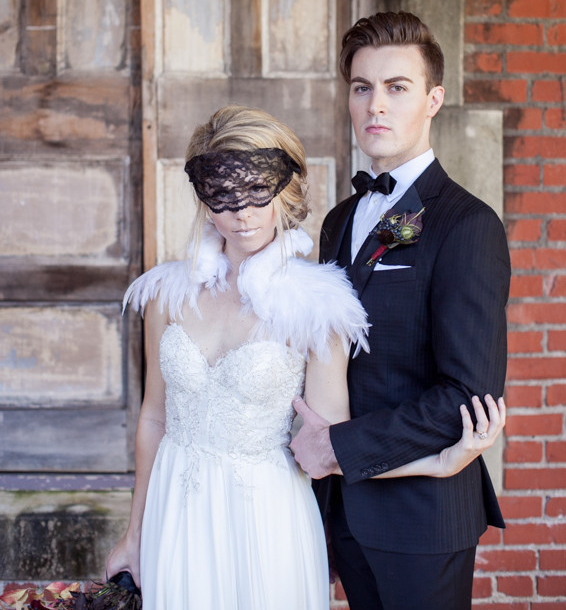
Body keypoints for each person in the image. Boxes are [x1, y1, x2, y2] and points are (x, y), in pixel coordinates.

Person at [106, 104, 506, 610]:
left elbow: (329, 444)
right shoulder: (167, 295)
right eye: (223, 194)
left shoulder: (317, 308)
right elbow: (153, 418)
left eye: (257, 190)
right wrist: (135, 532)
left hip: (267, 521)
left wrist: (440, 462)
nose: (242, 212)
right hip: (175, 515)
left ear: (284, 189)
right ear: (204, 199)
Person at [290, 12, 510, 610]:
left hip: (422, 520)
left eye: (397, 87)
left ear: (433, 100)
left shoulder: (466, 225)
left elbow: (467, 395)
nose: (376, 105)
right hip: (345, 513)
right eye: (362, 87)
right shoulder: (339, 220)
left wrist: (338, 447)